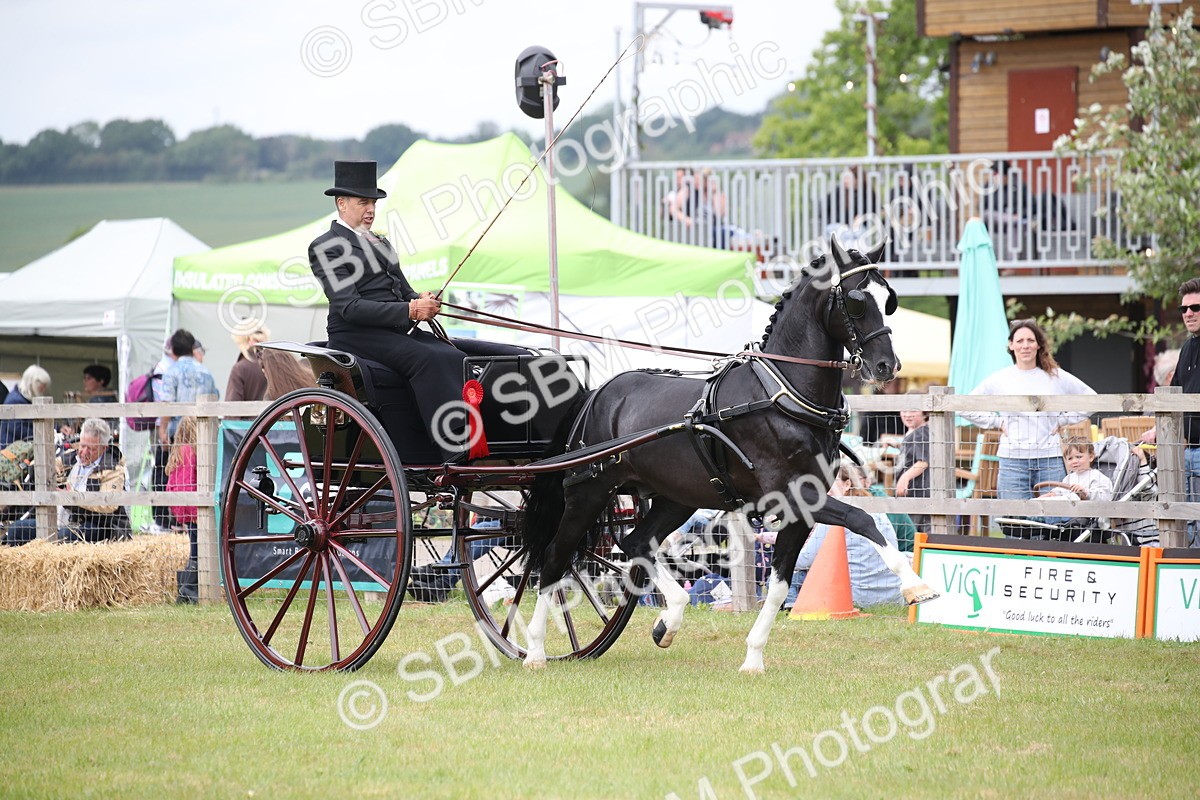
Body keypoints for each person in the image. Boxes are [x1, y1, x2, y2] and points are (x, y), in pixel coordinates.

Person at [308, 159, 529, 460]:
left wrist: (420, 298)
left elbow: (401, 290)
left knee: (455, 355)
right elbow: (349, 307)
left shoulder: (381, 243)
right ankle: (453, 448)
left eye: (373, 203)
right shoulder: (327, 247)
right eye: (364, 203)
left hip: (393, 332)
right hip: (356, 335)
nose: (371, 210)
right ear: (342, 204)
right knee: (430, 358)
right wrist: (410, 311)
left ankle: (480, 440)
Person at [961, 320, 1095, 503]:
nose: (1025, 345)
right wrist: (996, 422)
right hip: (1012, 460)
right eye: (1020, 340)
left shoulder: (1055, 375)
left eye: (1030, 340)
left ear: (1038, 345)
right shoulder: (1000, 378)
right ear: (1011, 345)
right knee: (1013, 519)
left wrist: (1063, 420)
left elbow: (1091, 398)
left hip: (1050, 458)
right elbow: (964, 405)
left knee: (1056, 519)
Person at [785, 462, 903, 609]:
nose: (824, 491)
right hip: (893, 597)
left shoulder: (832, 516)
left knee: (794, 570)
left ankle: (789, 606)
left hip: (855, 598)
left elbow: (803, 561)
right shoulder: (879, 512)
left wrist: (780, 551)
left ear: (847, 484)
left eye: (829, 484)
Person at [2, 417, 130, 545]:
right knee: (17, 529)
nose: (84, 452)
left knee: (63, 536)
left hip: (97, 525)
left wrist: (73, 497)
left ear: (104, 448)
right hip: (63, 520)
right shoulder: (71, 456)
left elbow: (109, 504)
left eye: (91, 449)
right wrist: (47, 472)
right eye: (83, 445)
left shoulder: (114, 468)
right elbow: (43, 465)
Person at [1141, 278, 1200, 546]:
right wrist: (1156, 429)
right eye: (1184, 309)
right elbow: (1173, 397)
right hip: (1184, 451)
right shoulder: (1188, 347)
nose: (1189, 313)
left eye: (1196, 307)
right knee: (1184, 524)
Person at [157, 329, 219, 449]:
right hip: (203, 434)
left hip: (178, 434)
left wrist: (163, 429)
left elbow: (167, 404)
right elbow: (214, 399)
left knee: (179, 466)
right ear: (191, 348)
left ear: (173, 350)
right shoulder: (206, 373)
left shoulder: (171, 372)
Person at [1037, 436, 1113, 526]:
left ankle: (1037, 518)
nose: (1074, 461)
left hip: (1084, 517)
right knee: (1048, 504)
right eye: (1070, 458)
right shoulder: (1069, 478)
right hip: (1066, 512)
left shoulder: (1097, 477)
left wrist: (1086, 493)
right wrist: (1051, 495)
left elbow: (1105, 498)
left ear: (1091, 456)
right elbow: (1061, 491)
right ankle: (1031, 515)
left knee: (1053, 513)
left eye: (1079, 457)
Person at [166, 416, 199, 601]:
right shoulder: (190, 452)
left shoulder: (178, 452)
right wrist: (195, 512)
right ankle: (187, 592)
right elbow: (188, 484)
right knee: (197, 552)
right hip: (195, 511)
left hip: (185, 510)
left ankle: (187, 591)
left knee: (195, 550)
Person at [894, 402, 931, 534]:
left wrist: (905, 478)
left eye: (913, 411)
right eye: (904, 410)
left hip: (918, 491)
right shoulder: (914, 433)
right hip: (914, 491)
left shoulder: (921, 434)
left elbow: (923, 462)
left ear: (924, 413)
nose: (908, 415)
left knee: (914, 531)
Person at [0, 365, 51, 449]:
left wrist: (56, 428)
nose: (44, 389)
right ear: (33, 383)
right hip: (11, 451)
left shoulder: (25, 399)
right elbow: (18, 429)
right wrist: (44, 434)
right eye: (43, 385)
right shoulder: (15, 401)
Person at [226, 327, 271, 402]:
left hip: (251, 413)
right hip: (276, 412)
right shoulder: (276, 364)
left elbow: (232, 406)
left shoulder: (240, 368)